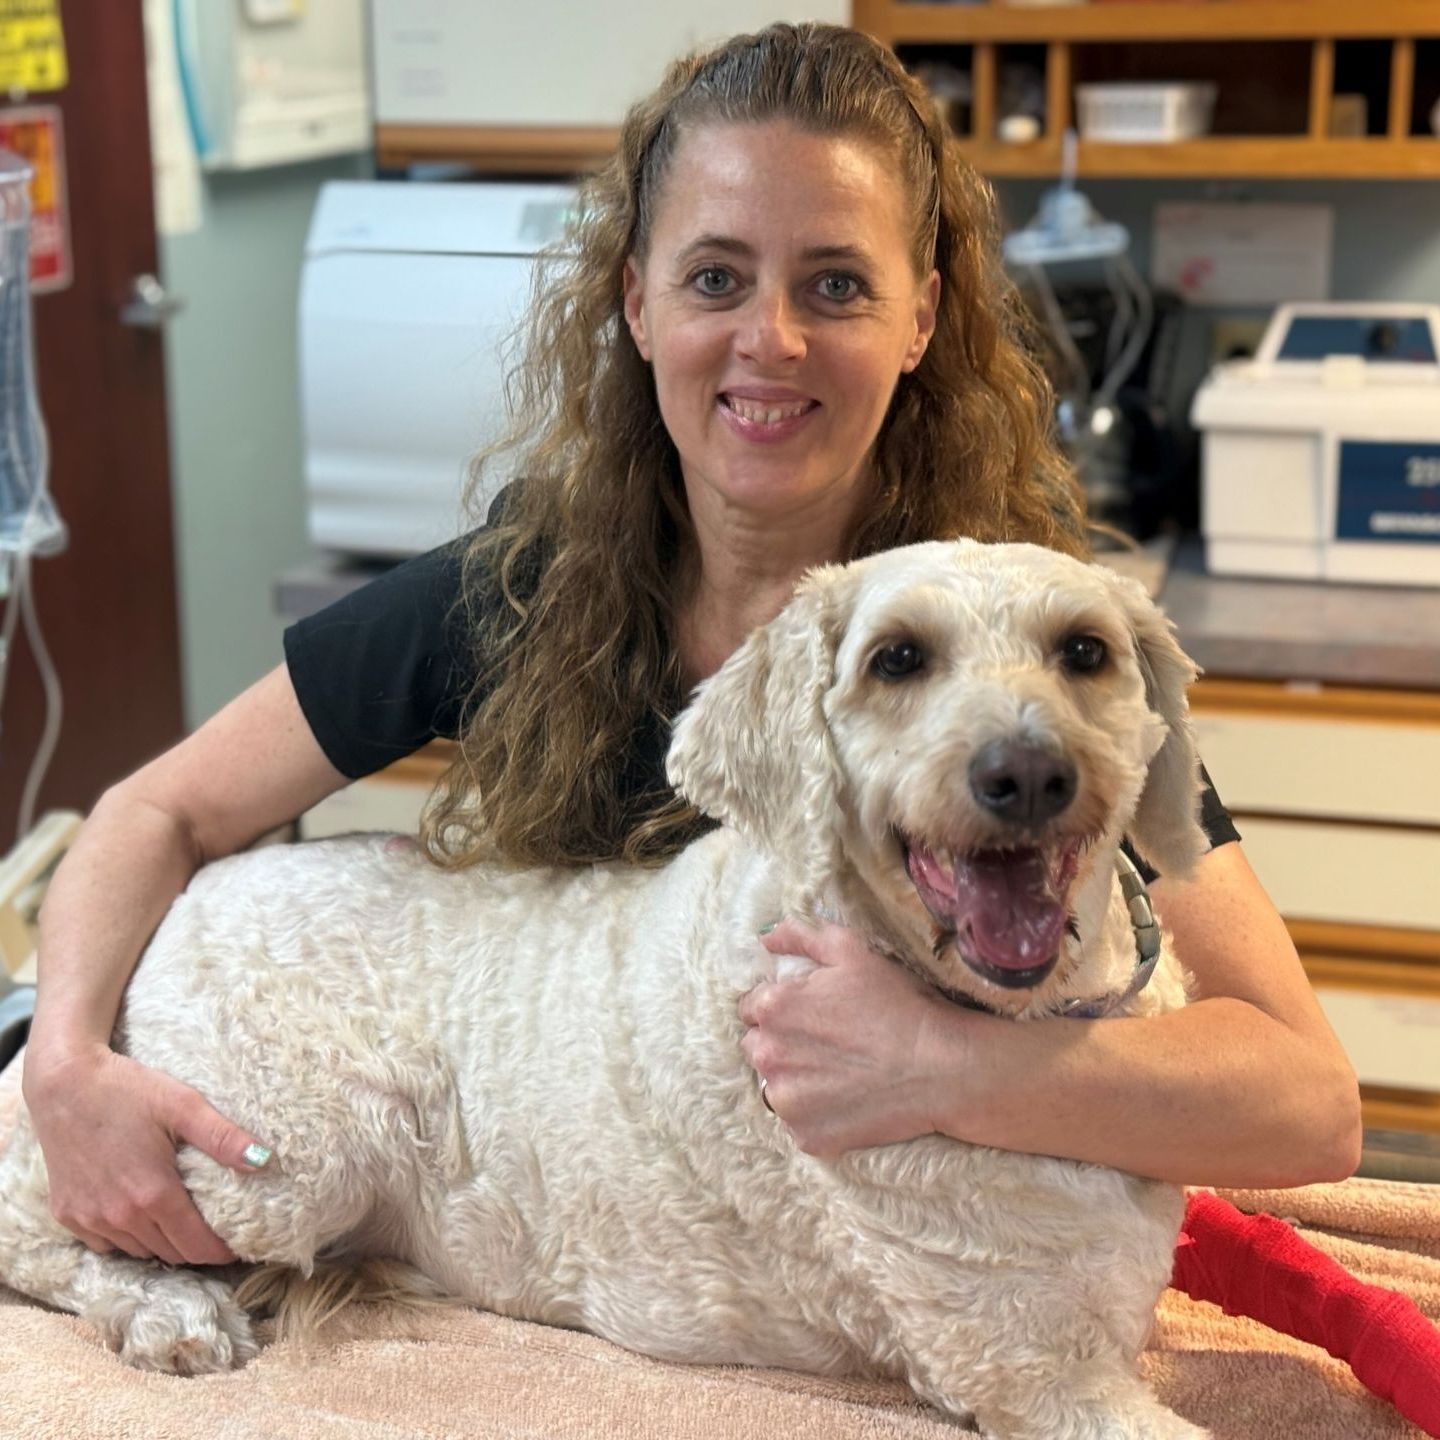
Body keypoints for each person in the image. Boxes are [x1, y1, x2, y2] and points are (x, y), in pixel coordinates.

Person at [22, 23, 1360, 1270]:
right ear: (640, 305)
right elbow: (161, 809)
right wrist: (66, 1061)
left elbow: (1304, 1105)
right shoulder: (524, 590)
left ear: (921, 319)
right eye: (716, 276)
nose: (768, 341)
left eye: (835, 283)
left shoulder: (1023, 644)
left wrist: (945, 1068)